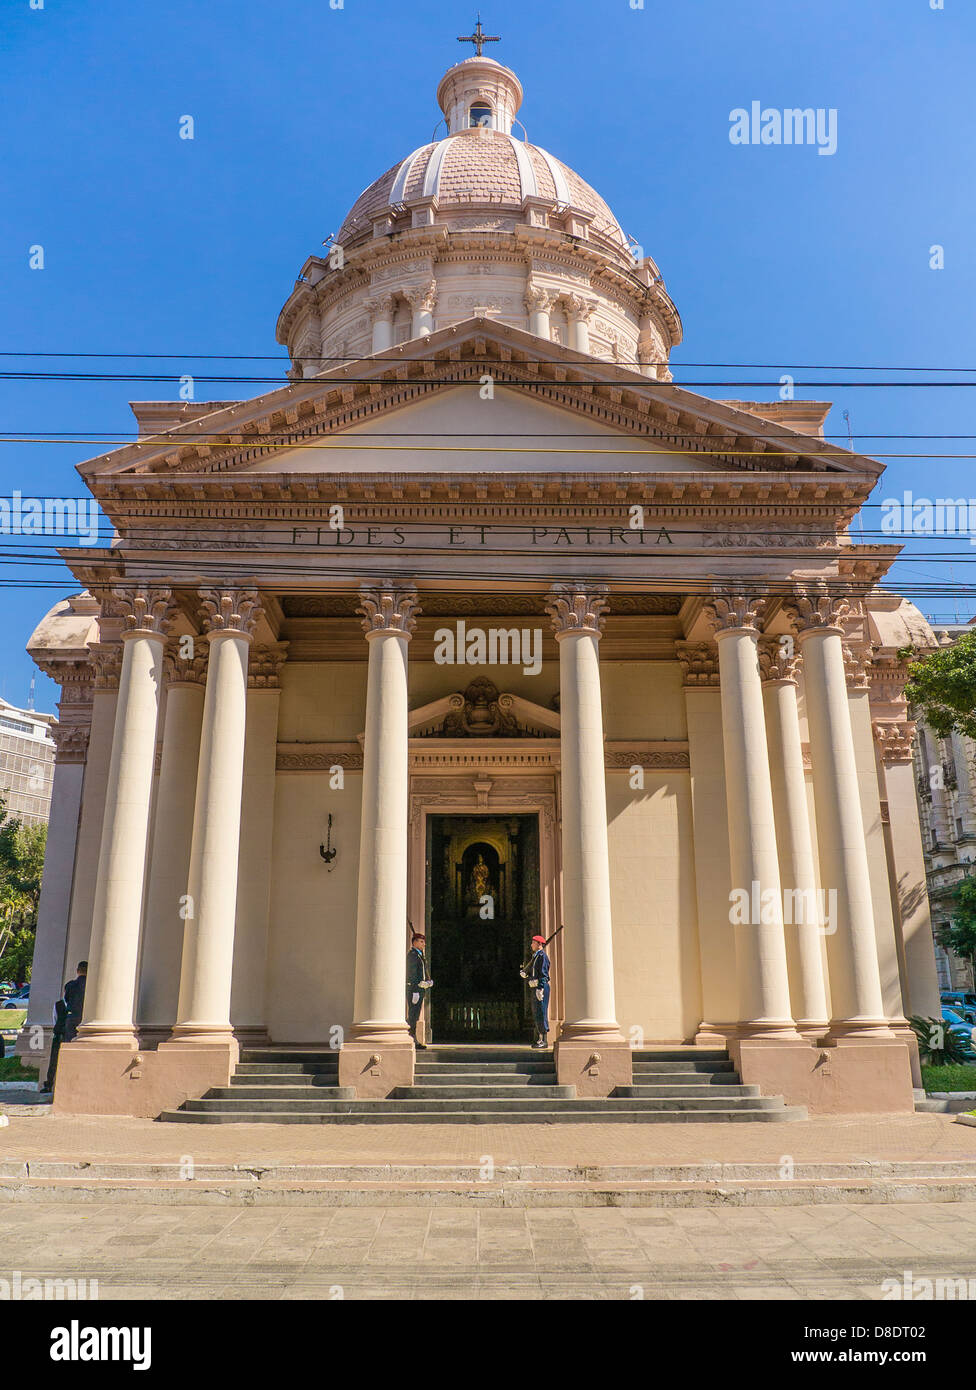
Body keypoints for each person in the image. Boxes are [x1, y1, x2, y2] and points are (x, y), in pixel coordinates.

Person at [406, 933, 433, 1049]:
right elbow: (412, 973)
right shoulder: (413, 955)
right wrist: (416, 987)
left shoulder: (419, 955)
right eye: (421, 942)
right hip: (414, 990)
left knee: (415, 1015)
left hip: (419, 989)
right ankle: (411, 1038)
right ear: (415, 942)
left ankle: (413, 1038)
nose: (424, 944)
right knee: (413, 1015)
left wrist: (427, 981)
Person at [523, 934, 550, 1049]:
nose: (531, 945)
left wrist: (540, 988)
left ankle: (543, 1039)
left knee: (541, 1012)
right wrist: (527, 974)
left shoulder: (542, 956)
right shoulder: (536, 957)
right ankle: (539, 1038)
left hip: (540, 988)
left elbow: (543, 975)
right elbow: (535, 973)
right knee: (536, 1013)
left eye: (533, 942)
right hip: (535, 987)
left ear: (539, 944)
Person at [39, 997, 68, 1097]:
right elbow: (54, 1019)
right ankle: (49, 1084)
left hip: (69, 1034)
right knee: (53, 1061)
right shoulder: (58, 1005)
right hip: (59, 1034)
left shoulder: (75, 1003)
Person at [62, 961, 87, 1043]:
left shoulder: (70, 985)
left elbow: (66, 999)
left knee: (69, 1040)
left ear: (77, 971)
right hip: (86, 1018)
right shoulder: (89, 985)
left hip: (72, 1016)